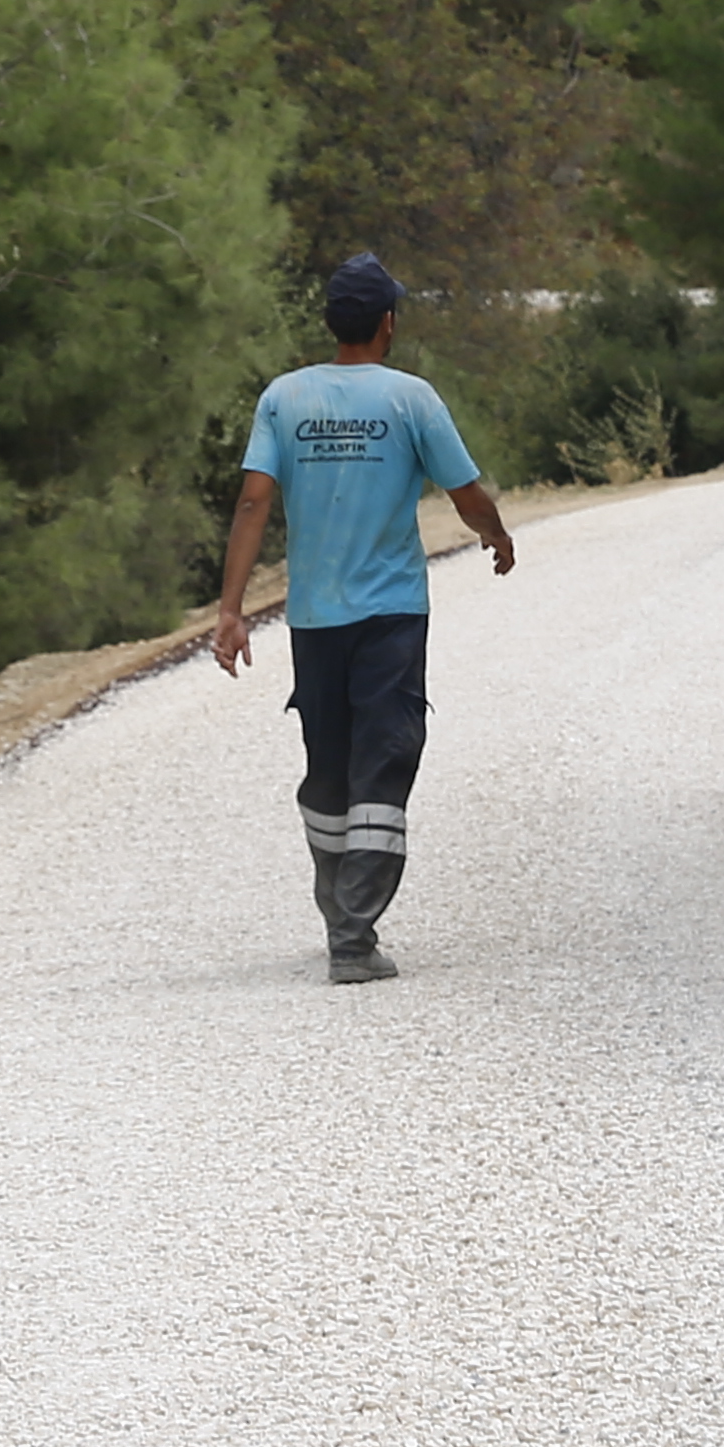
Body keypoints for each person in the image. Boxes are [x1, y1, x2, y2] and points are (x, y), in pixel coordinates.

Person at [209, 253, 514, 982]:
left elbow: (254, 501)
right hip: (391, 616)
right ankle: (352, 935)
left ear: (329, 323)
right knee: (385, 757)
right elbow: (465, 493)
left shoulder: (284, 398)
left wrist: (230, 611)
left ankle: (341, 912)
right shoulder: (412, 400)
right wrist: (495, 535)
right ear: (387, 324)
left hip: (314, 618)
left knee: (330, 763)